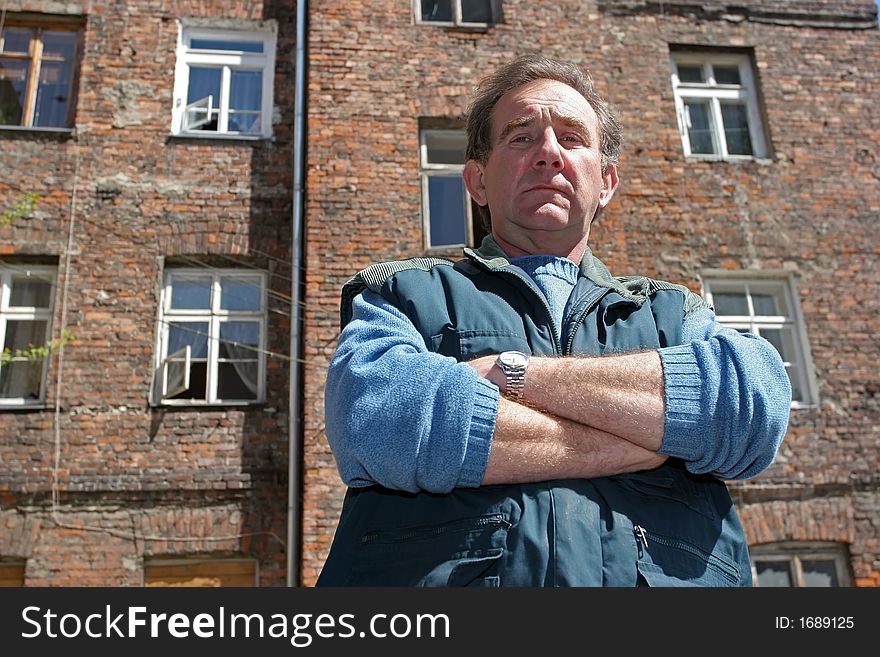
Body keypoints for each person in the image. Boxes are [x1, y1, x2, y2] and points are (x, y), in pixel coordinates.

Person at [316, 53, 791, 587]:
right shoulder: (406, 293)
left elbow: (751, 407)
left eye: (571, 137)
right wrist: (649, 437)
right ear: (477, 181)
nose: (548, 154)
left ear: (606, 181)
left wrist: (511, 374)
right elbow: (382, 419)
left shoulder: (671, 312)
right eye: (520, 138)